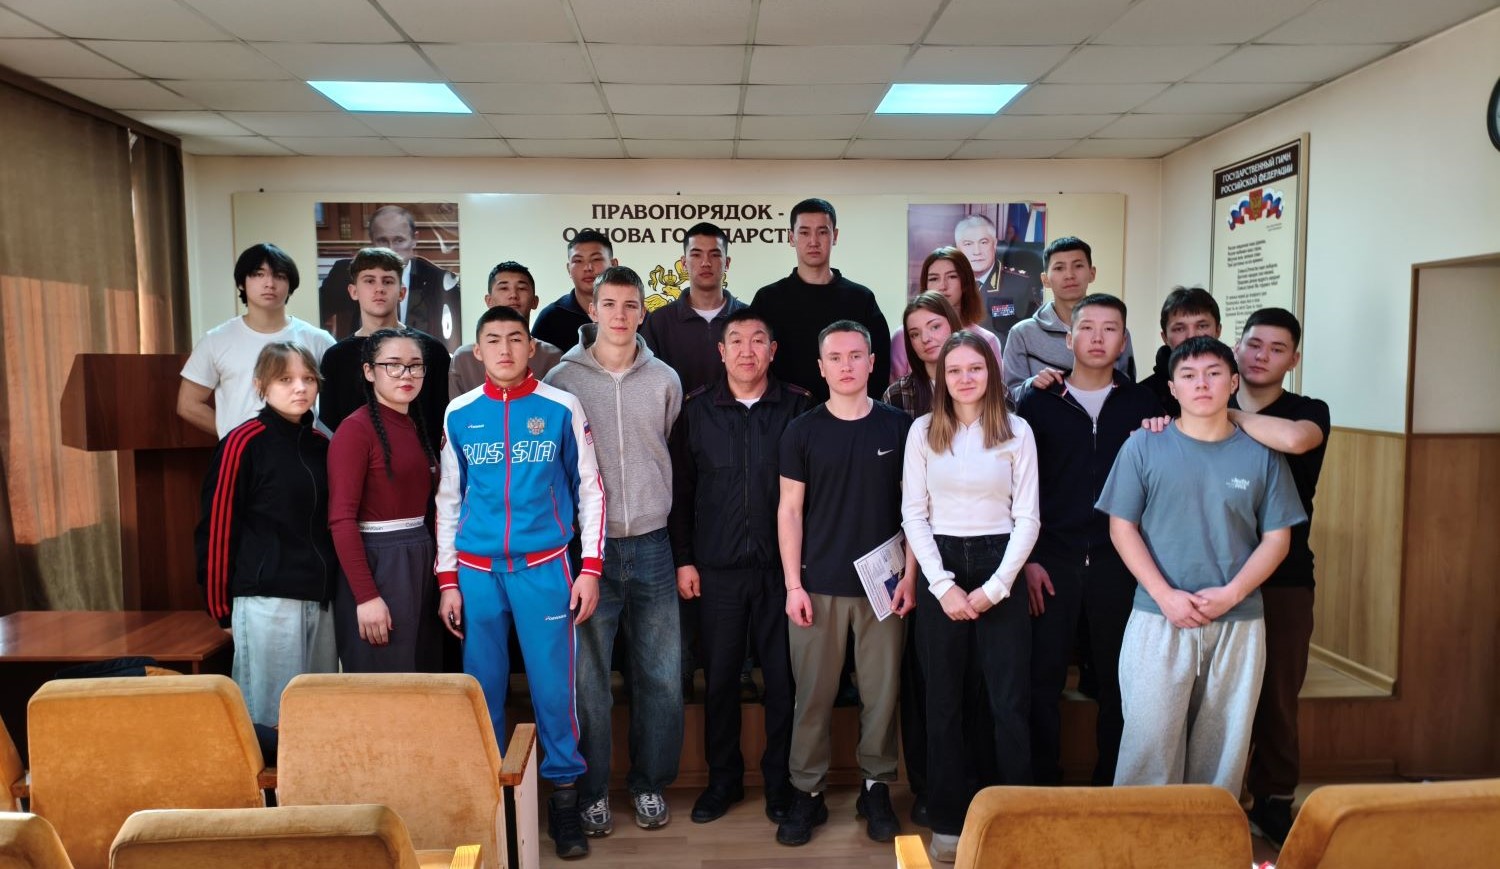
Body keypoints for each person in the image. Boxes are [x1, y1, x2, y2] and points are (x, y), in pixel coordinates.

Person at [1096, 336, 1305, 792]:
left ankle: (1210, 836)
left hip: (1238, 620)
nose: (1202, 384)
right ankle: (1141, 838)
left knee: (1223, 753)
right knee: (1148, 747)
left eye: (1213, 374)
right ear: (1173, 389)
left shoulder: (1261, 454)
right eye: (1188, 376)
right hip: (1158, 616)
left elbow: (1277, 539)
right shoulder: (1143, 447)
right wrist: (1164, 595)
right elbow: (1121, 529)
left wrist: (1232, 594)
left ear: (1233, 383)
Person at [435, 305, 604, 860]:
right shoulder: (459, 412)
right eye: (493, 340)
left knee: (554, 690)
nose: (505, 349)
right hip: (477, 574)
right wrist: (447, 579)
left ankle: (564, 799)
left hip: (545, 568)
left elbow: (589, 488)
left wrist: (591, 568)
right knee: (482, 691)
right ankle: (488, 801)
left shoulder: (560, 406)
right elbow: (449, 499)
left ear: (531, 348)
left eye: (515, 339)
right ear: (477, 351)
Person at [545, 266, 684, 838]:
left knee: (662, 677)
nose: (620, 315)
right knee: (590, 683)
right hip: (589, 552)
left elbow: (668, 446)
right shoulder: (562, 380)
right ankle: (594, 791)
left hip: (652, 543)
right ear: (592, 310)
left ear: (643, 312)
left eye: (631, 305)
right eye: (610, 304)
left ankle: (650, 784)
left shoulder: (665, 379)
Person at [1014, 294, 1164, 788]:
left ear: (1124, 340)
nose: (1098, 338)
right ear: (1069, 337)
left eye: (1110, 328)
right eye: (1088, 327)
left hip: (1119, 561)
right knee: (1041, 681)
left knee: (1120, 682)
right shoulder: (1039, 401)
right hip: (1049, 560)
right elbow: (1020, 488)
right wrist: (1029, 559)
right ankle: (1041, 784)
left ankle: (1112, 787)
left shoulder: (1145, 405)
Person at [668, 308, 811, 825]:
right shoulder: (696, 410)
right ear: (721, 351)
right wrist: (684, 560)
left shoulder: (798, 407)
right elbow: (681, 493)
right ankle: (722, 781)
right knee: (721, 681)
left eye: (757, 341)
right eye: (736, 341)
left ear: (772, 350)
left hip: (781, 573)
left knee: (783, 682)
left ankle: (780, 783)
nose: (747, 351)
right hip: (717, 571)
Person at [901, 330, 1040, 862]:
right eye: (954, 370)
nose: (965, 378)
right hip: (941, 562)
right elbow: (914, 514)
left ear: (992, 373)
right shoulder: (922, 432)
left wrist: (996, 588)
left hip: (1000, 560)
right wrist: (942, 586)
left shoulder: (1017, 431)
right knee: (943, 702)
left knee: (1007, 702)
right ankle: (949, 820)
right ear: (941, 377)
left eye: (975, 369)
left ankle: (1014, 819)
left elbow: (1028, 517)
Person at [775, 320, 915, 848]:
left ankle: (875, 788)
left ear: (873, 362)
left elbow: (916, 512)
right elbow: (790, 511)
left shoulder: (900, 428)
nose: (847, 365)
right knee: (812, 696)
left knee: (882, 695)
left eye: (856, 355)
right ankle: (807, 792)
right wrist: (793, 585)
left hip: (886, 589)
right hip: (818, 587)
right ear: (821, 367)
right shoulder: (802, 431)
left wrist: (912, 578)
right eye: (835, 357)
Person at [195, 342, 338, 727]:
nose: (300, 388)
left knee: (319, 716)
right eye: (285, 379)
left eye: (308, 379)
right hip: (267, 600)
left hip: (321, 599)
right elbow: (217, 527)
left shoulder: (323, 444)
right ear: (261, 385)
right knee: (270, 720)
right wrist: (220, 608)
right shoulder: (243, 442)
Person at [1229, 308, 1329, 846]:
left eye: (1276, 348)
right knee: (1218, 694)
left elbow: (1293, 440)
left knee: (1278, 693)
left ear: (1294, 359)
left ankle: (1273, 798)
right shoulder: (1205, 400)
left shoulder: (1308, 411)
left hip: (1285, 578)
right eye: (1253, 344)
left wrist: (1225, 413)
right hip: (1215, 572)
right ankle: (1216, 798)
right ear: (1237, 347)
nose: (1261, 355)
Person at [327, 327, 442, 674]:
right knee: (386, 678)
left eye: (415, 365)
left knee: (421, 674)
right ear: (369, 371)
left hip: (419, 556)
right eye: (393, 365)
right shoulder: (355, 430)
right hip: (380, 561)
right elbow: (341, 519)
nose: (406, 374)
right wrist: (366, 595)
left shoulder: (414, 426)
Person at [179, 243, 336, 438]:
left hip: (303, 450)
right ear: (241, 283)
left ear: (290, 285)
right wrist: (233, 437)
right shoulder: (216, 340)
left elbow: (340, 401)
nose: (269, 283)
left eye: (279, 276)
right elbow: (188, 404)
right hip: (242, 452)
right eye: (258, 274)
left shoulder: (318, 340)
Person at [752, 198, 890, 402]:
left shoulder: (861, 299)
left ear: (835, 236)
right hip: (782, 415)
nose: (813, 241)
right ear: (791, 237)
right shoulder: (768, 300)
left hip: (848, 414)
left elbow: (879, 366)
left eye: (822, 232)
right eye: (804, 232)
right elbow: (755, 364)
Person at [317, 247, 450, 448]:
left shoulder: (432, 350)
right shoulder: (336, 357)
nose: (379, 289)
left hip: (421, 461)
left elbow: (442, 419)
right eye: (369, 281)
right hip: (355, 461)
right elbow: (329, 427)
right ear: (354, 291)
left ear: (402, 292)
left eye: (387, 281)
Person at [1000, 237, 1135, 393]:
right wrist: (1032, 384)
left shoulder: (1115, 331)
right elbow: (1009, 396)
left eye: (1078, 266)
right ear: (1045, 279)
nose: (1069, 275)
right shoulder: (1022, 333)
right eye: (1059, 268)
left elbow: (1129, 389)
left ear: (1092, 273)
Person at [317, 205, 462, 350]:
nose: (391, 249)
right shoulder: (344, 274)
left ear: (414, 239)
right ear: (372, 241)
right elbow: (316, 319)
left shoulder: (438, 280)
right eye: (382, 241)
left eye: (399, 240)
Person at [642, 222, 749, 395]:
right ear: (684, 263)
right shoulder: (659, 321)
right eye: (696, 255)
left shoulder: (749, 319)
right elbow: (647, 383)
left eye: (715, 255)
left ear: (727, 263)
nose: (706, 263)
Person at [450, 261, 562, 398]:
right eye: (504, 288)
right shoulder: (464, 359)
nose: (513, 295)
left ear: (535, 301)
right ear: (489, 300)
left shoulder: (552, 356)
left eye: (521, 288)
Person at [889, 248, 1002, 380]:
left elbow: (996, 390)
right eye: (934, 279)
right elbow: (895, 389)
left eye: (952, 277)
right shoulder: (903, 336)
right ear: (925, 285)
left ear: (965, 283)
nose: (942, 286)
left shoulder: (987, 340)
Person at [954, 214, 1043, 339]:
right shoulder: (950, 285)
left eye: (983, 242)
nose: (977, 251)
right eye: (968, 244)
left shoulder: (1019, 284)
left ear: (995, 244)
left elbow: (1033, 334)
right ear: (958, 248)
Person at [1140, 286, 1221, 416]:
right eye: (1179, 329)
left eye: (1202, 326)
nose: (1191, 336)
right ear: (1165, 337)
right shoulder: (1143, 396)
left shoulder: (1236, 387)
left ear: (1218, 331)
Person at [533, 229, 617, 353]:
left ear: (614, 265)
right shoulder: (551, 317)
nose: (588, 268)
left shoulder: (631, 312)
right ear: (568, 269)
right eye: (578, 261)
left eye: (596, 259)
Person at [884, 292, 961, 418]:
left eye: (935, 327)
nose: (925, 339)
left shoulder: (982, 383)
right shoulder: (897, 394)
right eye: (915, 334)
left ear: (952, 324)